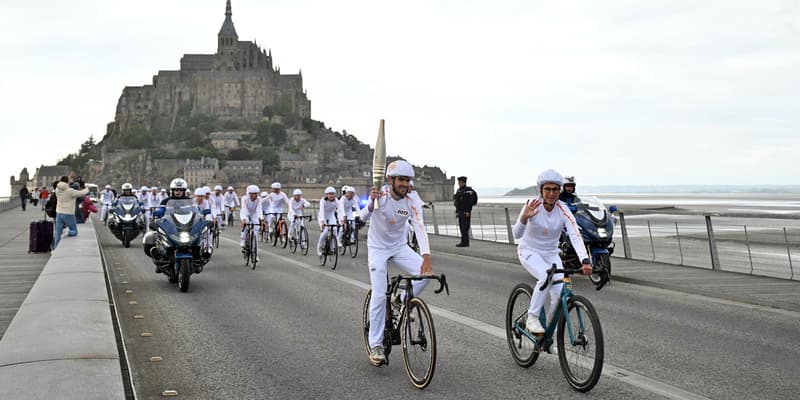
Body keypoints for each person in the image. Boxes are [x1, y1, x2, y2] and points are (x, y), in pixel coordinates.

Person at [360, 160, 433, 366]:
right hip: (378, 249)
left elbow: (419, 226)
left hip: (400, 247)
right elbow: (362, 216)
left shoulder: (412, 198)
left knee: (426, 275)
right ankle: (376, 346)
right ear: (390, 180)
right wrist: (371, 203)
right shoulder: (381, 195)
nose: (405, 184)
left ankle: (400, 299)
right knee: (380, 294)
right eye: (401, 180)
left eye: (408, 180)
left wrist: (426, 256)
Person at [513, 169, 592, 335]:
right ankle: (532, 317)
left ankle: (549, 333)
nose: (551, 193)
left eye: (555, 189)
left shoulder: (562, 208)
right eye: (547, 189)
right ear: (541, 190)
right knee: (545, 276)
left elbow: (574, 234)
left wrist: (585, 260)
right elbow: (516, 235)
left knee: (559, 294)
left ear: (560, 190)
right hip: (529, 251)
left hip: (551, 254)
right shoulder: (532, 204)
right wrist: (524, 218)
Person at [54, 176, 89, 249]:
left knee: (57, 233)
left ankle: (55, 248)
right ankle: (67, 231)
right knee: (74, 231)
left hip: (59, 213)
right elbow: (81, 193)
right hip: (68, 214)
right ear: (67, 182)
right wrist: (87, 189)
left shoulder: (57, 190)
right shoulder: (70, 191)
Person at [239, 185, 263, 261]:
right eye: (253, 194)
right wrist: (243, 220)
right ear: (249, 194)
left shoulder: (259, 199)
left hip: (254, 214)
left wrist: (261, 219)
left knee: (255, 233)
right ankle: (243, 239)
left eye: (256, 193)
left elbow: (259, 209)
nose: (255, 195)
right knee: (246, 224)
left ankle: (255, 254)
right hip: (245, 213)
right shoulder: (244, 199)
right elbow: (244, 209)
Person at [453, 176, 478, 247]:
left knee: (465, 227)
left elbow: (470, 202)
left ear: (464, 182)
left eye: (460, 182)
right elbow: (457, 202)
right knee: (461, 227)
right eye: (458, 182)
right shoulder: (459, 191)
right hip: (460, 211)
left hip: (466, 211)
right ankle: (463, 241)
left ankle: (465, 242)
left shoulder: (468, 191)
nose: (459, 183)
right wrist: (457, 211)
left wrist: (468, 211)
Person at [317, 186, 341, 257]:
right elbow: (321, 211)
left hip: (331, 216)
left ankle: (333, 247)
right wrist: (322, 222)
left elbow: (341, 210)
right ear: (326, 195)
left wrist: (342, 220)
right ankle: (319, 248)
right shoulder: (323, 201)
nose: (331, 195)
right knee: (325, 232)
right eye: (329, 194)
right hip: (322, 217)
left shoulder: (336, 201)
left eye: (333, 194)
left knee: (334, 229)